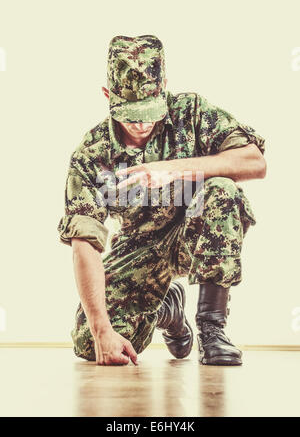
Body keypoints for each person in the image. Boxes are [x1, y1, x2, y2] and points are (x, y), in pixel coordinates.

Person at [57, 35, 266, 366]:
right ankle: (169, 308)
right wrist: (101, 330)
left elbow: (254, 162)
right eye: (130, 113)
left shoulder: (191, 112)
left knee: (223, 190)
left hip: (194, 232)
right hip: (138, 249)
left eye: (150, 110)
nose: (141, 123)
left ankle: (212, 330)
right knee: (89, 341)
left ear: (164, 87)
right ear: (107, 96)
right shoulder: (92, 155)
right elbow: (84, 241)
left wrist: (173, 170)